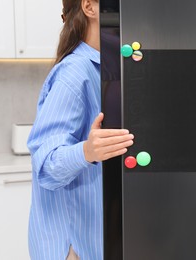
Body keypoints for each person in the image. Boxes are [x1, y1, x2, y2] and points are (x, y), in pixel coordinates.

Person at [27, 0, 134, 259]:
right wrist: (87, 151)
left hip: (98, 243)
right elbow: (46, 165)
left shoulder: (108, 69)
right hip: (73, 250)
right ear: (90, 6)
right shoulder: (74, 73)